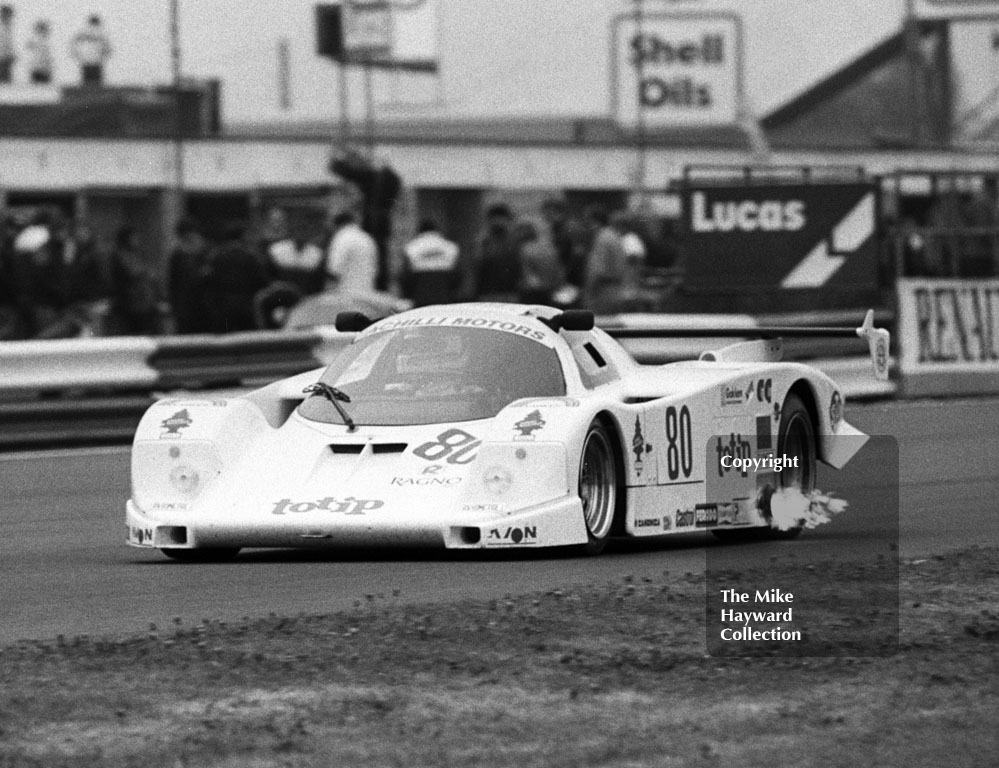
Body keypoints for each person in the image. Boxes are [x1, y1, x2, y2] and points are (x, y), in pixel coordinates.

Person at [203, 221, 271, 332]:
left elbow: (208, 281)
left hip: (222, 308)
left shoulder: (216, 256)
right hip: (246, 307)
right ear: (242, 236)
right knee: (248, 342)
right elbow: (262, 281)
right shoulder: (250, 257)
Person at [399, 220, 462, 307]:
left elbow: (405, 276)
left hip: (420, 292)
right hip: (445, 292)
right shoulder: (451, 246)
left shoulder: (411, 247)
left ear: (420, 231)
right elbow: (458, 274)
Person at [111, 226, 160, 335]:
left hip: (144, 304)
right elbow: (134, 272)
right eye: (134, 238)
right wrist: (147, 272)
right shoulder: (121, 255)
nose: (137, 240)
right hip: (133, 305)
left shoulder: (136, 255)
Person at [166, 217, 211, 334]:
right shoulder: (182, 254)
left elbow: (172, 282)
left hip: (191, 304)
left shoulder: (180, 253)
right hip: (191, 304)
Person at [581, 205, 627, 314]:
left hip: (602, 292)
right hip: (615, 289)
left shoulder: (602, 239)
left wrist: (588, 292)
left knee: (600, 325)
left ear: (594, 222)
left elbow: (597, 270)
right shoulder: (613, 235)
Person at [472, 203, 520, 302]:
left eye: (501, 219)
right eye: (495, 219)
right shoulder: (483, 241)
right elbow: (477, 264)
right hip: (487, 292)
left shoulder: (514, 240)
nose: (498, 222)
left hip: (511, 291)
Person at [514, 218, 564, 306]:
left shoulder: (525, 248)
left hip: (532, 289)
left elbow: (526, 272)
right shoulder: (548, 247)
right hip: (549, 288)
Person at [325, 211, 378, 293]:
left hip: (345, 293)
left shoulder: (341, 237)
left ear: (337, 225)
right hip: (367, 292)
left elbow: (334, 270)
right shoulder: (367, 238)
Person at [71, 14, 111, 86]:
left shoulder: (82, 34)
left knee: (86, 86)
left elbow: (74, 46)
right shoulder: (101, 35)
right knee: (97, 87)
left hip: (87, 63)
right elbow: (108, 50)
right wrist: (103, 57)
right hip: (96, 63)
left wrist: (79, 57)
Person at [25, 19, 52, 84]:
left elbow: (48, 59)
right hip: (36, 69)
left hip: (44, 70)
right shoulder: (34, 41)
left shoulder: (46, 43)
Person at [0, 5, 15, 85]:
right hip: (2, 59)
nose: (10, 17)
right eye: (8, 15)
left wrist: (11, 54)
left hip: (7, 59)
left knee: (6, 84)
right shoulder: (2, 27)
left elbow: (8, 44)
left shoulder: (8, 27)